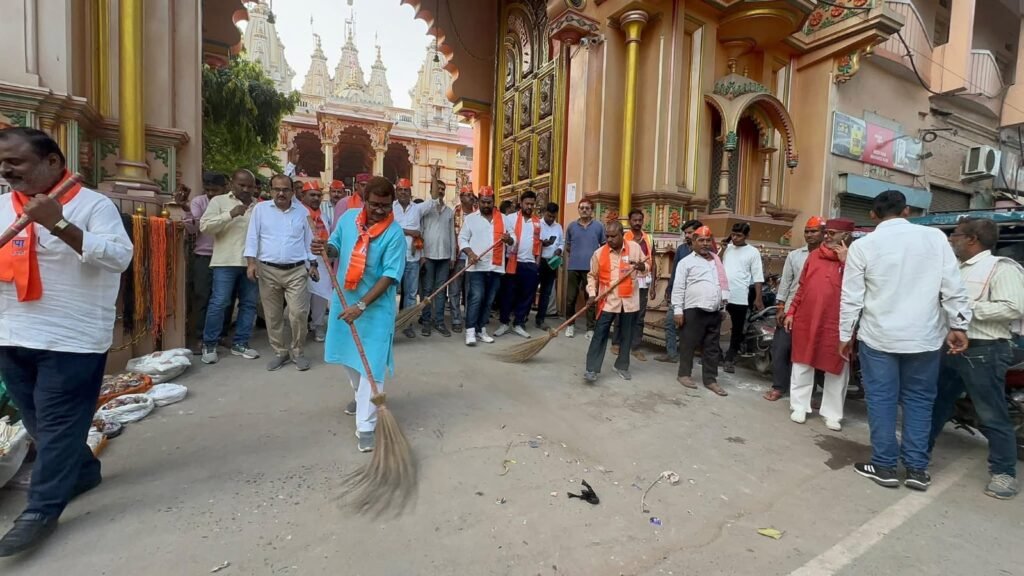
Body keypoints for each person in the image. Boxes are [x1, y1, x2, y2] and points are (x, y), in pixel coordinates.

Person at [0, 127, 133, 556]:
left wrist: (57, 222)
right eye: (3, 163)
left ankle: (41, 509)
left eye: (15, 161)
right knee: (37, 417)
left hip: (71, 338)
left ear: (52, 162)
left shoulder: (93, 205)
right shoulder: (3, 207)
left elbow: (118, 256)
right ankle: (81, 471)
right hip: (10, 332)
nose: (6, 169)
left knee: (56, 425)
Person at [840, 190, 971, 491]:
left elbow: (851, 299)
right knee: (919, 401)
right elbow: (953, 285)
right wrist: (959, 324)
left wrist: (844, 335)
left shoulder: (864, 246)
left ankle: (884, 466)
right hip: (924, 338)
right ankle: (916, 469)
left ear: (873, 215)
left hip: (879, 337)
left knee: (882, 400)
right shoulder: (936, 238)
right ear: (907, 211)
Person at [930, 217, 1024, 500]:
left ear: (972, 239)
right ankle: (916, 454)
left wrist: (966, 309)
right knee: (935, 404)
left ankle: (1004, 473)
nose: (951, 239)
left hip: (985, 349)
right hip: (950, 346)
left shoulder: (1000, 268)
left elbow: (1013, 307)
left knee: (991, 413)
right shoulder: (955, 268)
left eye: (955, 234)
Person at [314, 177, 405, 453]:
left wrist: (362, 306)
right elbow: (336, 247)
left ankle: (366, 425)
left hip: (374, 309)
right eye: (375, 204)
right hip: (345, 302)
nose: (380, 210)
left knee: (372, 366)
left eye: (386, 206)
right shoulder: (349, 219)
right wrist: (324, 250)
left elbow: (390, 276)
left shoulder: (394, 234)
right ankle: (360, 395)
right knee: (349, 358)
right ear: (363, 200)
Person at [785, 218, 855, 429]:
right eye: (827, 232)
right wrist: (791, 311)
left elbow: (859, 288)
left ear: (846, 236)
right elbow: (803, 286)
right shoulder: (814, 256)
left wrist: (846, 262)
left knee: (836, 366)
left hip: (837, 321)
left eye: (833, 233)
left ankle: (832, 413)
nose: (827, 236)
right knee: (802, 361)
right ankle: (799, 406)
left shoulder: (855, 260)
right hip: (808, 317)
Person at [245, 174, 317, 371]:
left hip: (296, 271)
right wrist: (251, 263)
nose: (281, 193)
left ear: (293, 192)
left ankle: (298, 352)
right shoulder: (260, 210)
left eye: (285, 189)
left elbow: (309, 240)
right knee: (272, 315)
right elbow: (252, 237)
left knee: (299, 313)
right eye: (277, 189)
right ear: (271, 191)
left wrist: (314, 264)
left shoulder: (302, 211)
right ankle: (280, 352)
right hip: (267, 270)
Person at [199, 169, 262, 364]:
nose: (246, 189)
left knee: (249, 304)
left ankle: (240, 343)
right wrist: (230, 214)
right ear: (232, 184)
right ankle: (209, 344)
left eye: (250, 186)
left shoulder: (259, 207)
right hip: (225, 261)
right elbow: (205, 227)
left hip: (251, 263)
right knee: (219, 303)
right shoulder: (219, 202)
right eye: (241, 185)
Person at [764, 216, 826, 401]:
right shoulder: (795, 255)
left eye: (814, 231)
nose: (809, 235)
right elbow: (786, 283)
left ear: (824, 233)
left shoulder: (830, 255)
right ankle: (778, 387)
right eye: (807, 231)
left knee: (810, 352)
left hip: (816, 311)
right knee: (781, 348)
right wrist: (781, 307)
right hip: (792, 308)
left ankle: (809, 393)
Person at [583, 220, 645, 382]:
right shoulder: (599, 253)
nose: (609, 240)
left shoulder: (635, 248)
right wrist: (591, 294)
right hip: (608, 300)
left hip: (630, 300)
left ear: (622, 235)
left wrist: (642, 267)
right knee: (600, 333)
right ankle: (591, 369)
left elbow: (647, 265)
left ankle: (622, 366)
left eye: (613, 236)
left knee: (627, 334)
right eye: (607, 236)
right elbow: (592, 276)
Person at [671, 226, 729, 396]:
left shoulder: (716, 261)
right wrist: (677, 311)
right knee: (688, 344)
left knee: (712, 347)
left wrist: (723, 306)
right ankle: (684, 374)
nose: (705, 244)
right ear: (693, 241)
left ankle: (710, 380)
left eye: (708, 240)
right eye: (701, 240)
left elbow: (721, 284)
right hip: (693, 309)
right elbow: (679, 287)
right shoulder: (686, 262)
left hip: (714, 310)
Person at [180, 171, 234, 351]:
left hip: (226, 256)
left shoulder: (231, 202)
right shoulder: (199, 202)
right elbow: (192, 228)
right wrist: (187, 210)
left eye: (215, 190)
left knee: (224, 299)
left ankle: (221, 335)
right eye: (208, 189)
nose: (210, 193)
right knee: (202, 296)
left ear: (225, 187)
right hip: (205, 256)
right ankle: (200, 336)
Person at [459, 186, 512, 346]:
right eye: (483, 202)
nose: (486, 205)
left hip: (495, 267)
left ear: (494, 202)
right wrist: (470, 254)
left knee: (488, 301)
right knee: (476, 297)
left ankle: (481, 329)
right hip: (476, 267)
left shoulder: (503, 218)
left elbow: (513, 238)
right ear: (478, 201)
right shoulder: (470, 219)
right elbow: (462, 238)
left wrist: (508, 239)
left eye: (489, 202)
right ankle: (470, 331)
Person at [496, 190, 541, 338]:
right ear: (521, 203)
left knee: (526, 296)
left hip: (530, 263)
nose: (529, 206)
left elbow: (538, 243)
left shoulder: (537, 221)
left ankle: (519, 323)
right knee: (508, 294)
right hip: (513, 261)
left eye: (532, 204)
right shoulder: (510, 218)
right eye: (527, 203)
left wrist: (537, 264)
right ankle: (504, 323)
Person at [656, 219, 702, 363]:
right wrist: (669, 289)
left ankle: (693, 355)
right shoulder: (682, 249)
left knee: (693, 326)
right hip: (679, 294)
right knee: (670, 323)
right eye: (686, 233)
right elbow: (674, 271)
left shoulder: (706, 251)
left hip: (696, 296)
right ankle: (672, 353)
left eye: (690, 232)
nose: (687, 235)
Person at [721, 222, 765, 373]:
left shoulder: (752, 252)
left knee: (737, 329)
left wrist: (758, 298)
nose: (735, 238)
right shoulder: (727, 249)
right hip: (721, 293)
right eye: (733, 234)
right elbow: (716, 264)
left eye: (739, 235)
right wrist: (723, 246)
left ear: (746, 236)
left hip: (740, 295)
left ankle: (730, 358)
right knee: (713, 324)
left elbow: (758, 277)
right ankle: (715, 354)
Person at [613, 209, 655, 359]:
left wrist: (653, 286)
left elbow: (652, 261)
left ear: (643, 221)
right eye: (634, 220)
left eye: (640, 220)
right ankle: (616, 343)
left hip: (644, 281)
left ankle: (635, 346)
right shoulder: (624, 237)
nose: (637, 223)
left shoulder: (648, 238)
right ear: (629, 221)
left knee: (640, 315)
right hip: (627, 279)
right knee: (622, 311)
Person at [419, 179, 457, 336]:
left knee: (441, 291)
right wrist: (421, 255)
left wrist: (453, 256)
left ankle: (439, 322)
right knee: (427, 290)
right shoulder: (425, 210)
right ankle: (426, 321)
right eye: (437, 189)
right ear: (431, 191)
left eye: (443, 189)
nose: (440, 191)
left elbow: (452, 235)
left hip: (444, 256)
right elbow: (419, 234)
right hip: (428, 255)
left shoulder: (449, 211)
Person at [564, 197, 606, 339]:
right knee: (570, 298)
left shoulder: (599, 226)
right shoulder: (571, 227)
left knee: (591, 298)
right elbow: (568, 246)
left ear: (592, 211)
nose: (584, 210)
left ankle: (590, 328)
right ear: (578, 210)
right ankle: (570, 325)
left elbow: (604, 246)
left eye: (587, 208)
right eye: (581, 208)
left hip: (591, 270)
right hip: (574, 267)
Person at [393, 178, 426, 338]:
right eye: (400, 190)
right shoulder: (390, 208)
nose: (403, 193)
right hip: (393, 257)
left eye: (406, 190)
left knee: (411, 294)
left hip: (413, 257)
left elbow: (433, 201)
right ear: (396, 192)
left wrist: (433, 176)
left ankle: (407, 324)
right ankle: (388, 324)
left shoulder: (417, 209)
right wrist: (410, 232)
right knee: (389, 292)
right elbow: (389, 228)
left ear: (410, 192)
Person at [302, 183, 334, 343]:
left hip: (322, 260)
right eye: (311, 194)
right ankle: (301, 327)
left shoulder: (324, 215)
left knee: (320, 295)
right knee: (302, 296)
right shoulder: (298, 214)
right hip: (302, 260)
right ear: (303, 196)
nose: (316, 198)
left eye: (318, 195)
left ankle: (318, 325)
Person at [448, 185, 477, 333]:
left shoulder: (477, 214)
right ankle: (456, 319)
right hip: (458, 257)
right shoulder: (454, 213)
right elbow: (451, 236)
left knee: (471, 290)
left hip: (473, 258)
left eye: (472, 195)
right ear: (461, 197)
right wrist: (452, 256)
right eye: (467, 195)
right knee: (454, 290)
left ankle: (469, 318)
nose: (471, 197)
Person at [536, 202, 564, 330]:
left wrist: (559, 250)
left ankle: (540, 319)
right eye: (549, 216)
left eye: (554, 217)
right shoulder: (537, 224)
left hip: (551, 262)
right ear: (544, 212)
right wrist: (543, 244)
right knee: (530, 290)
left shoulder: (558, 227)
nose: (551, 219)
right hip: (538, 261)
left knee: (546, 292)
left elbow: (562, 242)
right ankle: (522, 318)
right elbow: (532, 241)